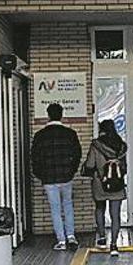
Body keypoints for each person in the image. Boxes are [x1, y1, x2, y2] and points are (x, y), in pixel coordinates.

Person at [31, 103, 82, 251]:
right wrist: (72, 171)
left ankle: (61, 241)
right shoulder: (70, 134)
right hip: (66, 176)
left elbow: (35, 158)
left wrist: (40, 175)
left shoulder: (40, 135)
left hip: (49, 178)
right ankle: (71, 236)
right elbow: (77, 154)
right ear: (62, 114)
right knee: (68, 205)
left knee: (55, 208)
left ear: (48, 115)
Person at [83, 119, 128, 257]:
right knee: (115, 215)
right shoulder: (121, 145)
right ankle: (114, 245)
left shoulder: (96, 145)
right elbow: (124, 168)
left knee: (100, 208)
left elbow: (90, 165)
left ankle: (102, 238)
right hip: (117, 183)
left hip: (100, 182)